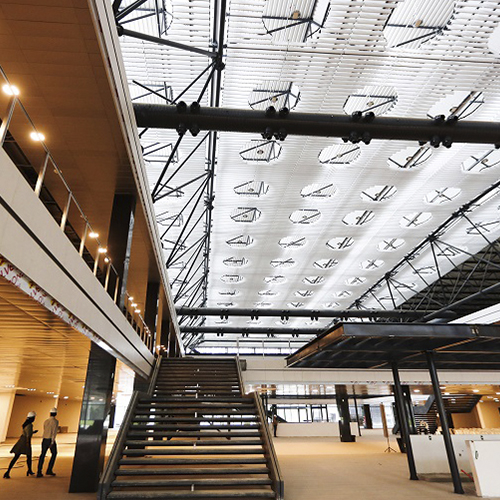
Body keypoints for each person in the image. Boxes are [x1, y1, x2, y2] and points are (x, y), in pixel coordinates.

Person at [3, 411, 37, 478]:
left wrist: (32, 432)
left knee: (17, 457)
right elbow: (28, 436)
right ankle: (29, 470)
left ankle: (8, 471)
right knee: (28, 456)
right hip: (25, 442)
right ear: (32, 418)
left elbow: (26, 432)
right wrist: (28, 444)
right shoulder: (30, 425)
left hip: (21, 441)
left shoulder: (25, 424)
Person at [37, 407, 59, 477]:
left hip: (44, 439)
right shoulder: (55, 421)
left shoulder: (46, 421)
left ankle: (39, 471)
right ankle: (49, 470)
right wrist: (52, 442)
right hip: (50, 439)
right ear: (56, 414)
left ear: (50, 413)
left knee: (42, 455)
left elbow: (45, 429)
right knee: (54, 453)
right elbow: (54, 432)